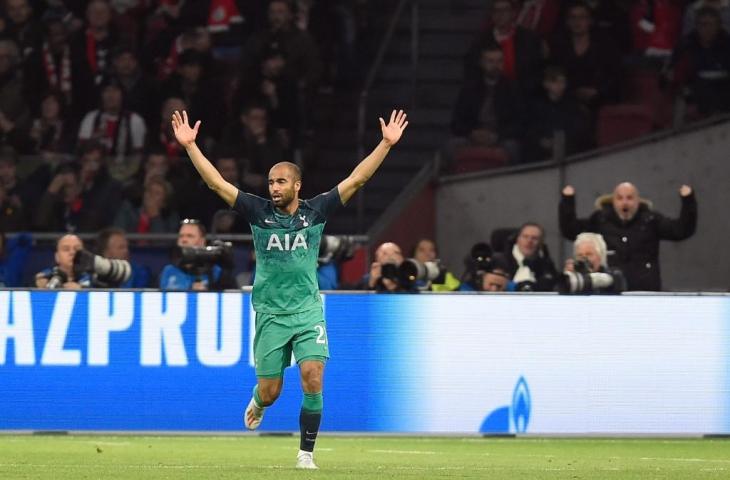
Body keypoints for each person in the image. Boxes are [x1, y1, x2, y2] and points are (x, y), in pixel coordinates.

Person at [171, 107, 407, 469]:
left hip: (308, 309)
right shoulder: (257, 211)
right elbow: (217, 184)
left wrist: (386, 144)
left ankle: (305, 454)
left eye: (281, 182)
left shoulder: (316, 211)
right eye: (271, 182)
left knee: (313, 376)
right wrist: (191, 147)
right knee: (271, 391)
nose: (274, 188)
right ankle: (258, 401)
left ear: (297, 185)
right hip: (270, 312)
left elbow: (357, 180)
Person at [559, 182, 697, 290]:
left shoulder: (651, 220)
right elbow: (571, 230)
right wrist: (567, 200)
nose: (625, 202)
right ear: (613, 201)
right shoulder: (601, 220)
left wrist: (688, 201)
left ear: (638, 201)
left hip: (646, 293)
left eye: (629, 198)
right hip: (612, 293)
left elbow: (681, 230)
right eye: (620, 198)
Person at [158, 219, 223, 291]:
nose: (184, 240)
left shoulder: (215, 271)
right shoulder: (169, 271)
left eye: (190, 236)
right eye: (181, 236)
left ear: (202, 241)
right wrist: (190, 290)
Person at [560, 232, 626, 294]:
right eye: (580, 255)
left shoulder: (614, 275)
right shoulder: (573, 278)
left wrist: (586, 279)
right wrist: (567, 279)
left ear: (600, 256)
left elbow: (618, 283)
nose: (584, 259)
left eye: (589, 254)